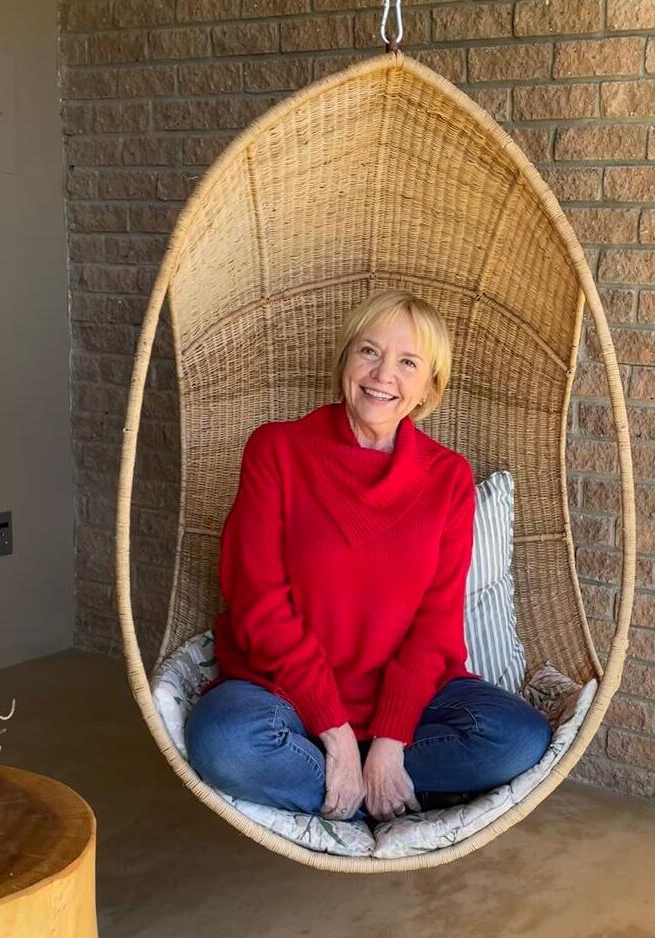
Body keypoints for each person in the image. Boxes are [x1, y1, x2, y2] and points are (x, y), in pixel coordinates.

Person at [185, 289, 552, 825]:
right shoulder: (276, 450)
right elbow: (258, 604)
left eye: (408, 363)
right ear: (345, 361)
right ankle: (371, 788)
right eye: (369, 352)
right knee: (223, 744)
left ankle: (366, 782)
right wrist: (335, 736)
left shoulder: (448, 478)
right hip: (284, 691)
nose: (383, 375)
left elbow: (436, 626)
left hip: (406, 700)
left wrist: (390, 742)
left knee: (519, 739)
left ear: (429, 387)